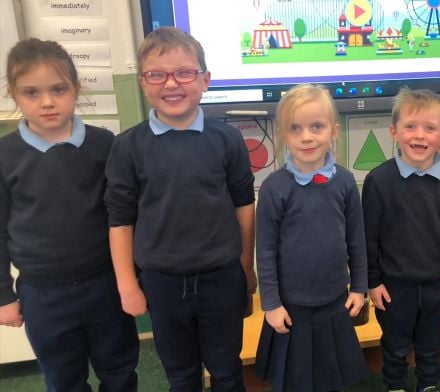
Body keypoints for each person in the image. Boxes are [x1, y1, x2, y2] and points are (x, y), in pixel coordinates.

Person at [104, 27, 256, 391]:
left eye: (184, 73)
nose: (171, 84)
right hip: (162, 283)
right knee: (181, 374)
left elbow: (244, 207)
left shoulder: (228, 140)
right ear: (143, 83)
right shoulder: (128, 148)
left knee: (226, 369)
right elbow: (120, 220)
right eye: (157, 74)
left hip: (221, 277)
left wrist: (245, 269)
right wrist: (127, 285)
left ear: (205, 80)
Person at [0, 38, 139, 391]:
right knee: (63, 379)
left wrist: (133, 277)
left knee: (120, 370)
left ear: (76, 89)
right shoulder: (5, 155)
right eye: (31, 92)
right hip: (43, 294)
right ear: (14, 94)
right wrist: (3, 295)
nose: (47, 102)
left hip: (104, 285)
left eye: (58, 89)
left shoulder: (104, 145)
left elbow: (123, 216)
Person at [254, 84, 369, 391]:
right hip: (291, 308)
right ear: (282, 136)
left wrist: (358, 287)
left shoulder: (344, 183)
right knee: (294, 379)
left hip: (335, 301)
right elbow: (265, 251)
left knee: (332, 375)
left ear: (333, 131)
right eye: (295, 128)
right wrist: (271, 303)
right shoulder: (274, 189)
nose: (306, 136)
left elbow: (356, 240)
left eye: (316, 126)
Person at [362, 88, 440, 392]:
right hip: (393, 287)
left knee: (430, 345)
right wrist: (372, 282)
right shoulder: (378, 181)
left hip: (438, 284)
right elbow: (368, 237)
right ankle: (395, 385)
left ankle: (428, 385)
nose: (419, 136)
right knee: (395, 346)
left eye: (429, 128)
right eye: (410, 126)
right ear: (394, 132)